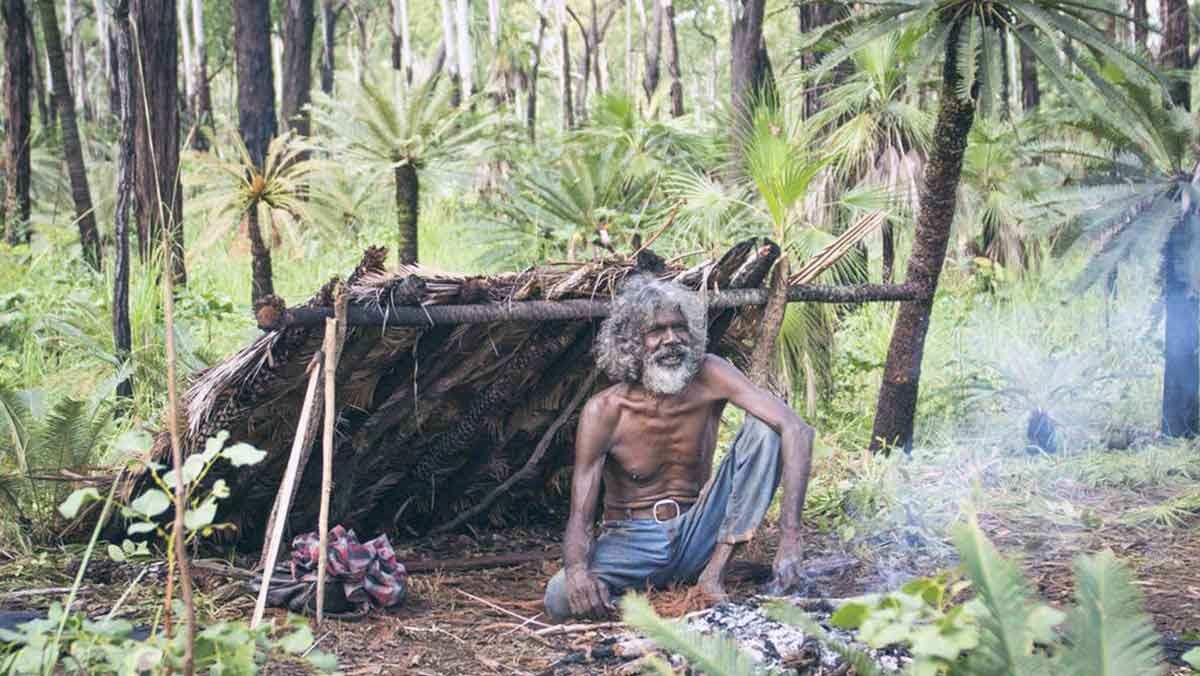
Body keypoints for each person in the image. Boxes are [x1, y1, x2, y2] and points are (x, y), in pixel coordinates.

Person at [542, 275, 815, 620]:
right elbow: (580, 516)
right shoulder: (604, 410)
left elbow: (796, 429)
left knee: (767, 430)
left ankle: (712, 574)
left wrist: (791, 535)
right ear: (631, 342)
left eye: (679, 328)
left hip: (701, 531)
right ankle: (658, 604)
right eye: (656, 331)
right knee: (559, 597)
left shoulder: (711, 373)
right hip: (632, 541)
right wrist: (579, 571)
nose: (671, 339)